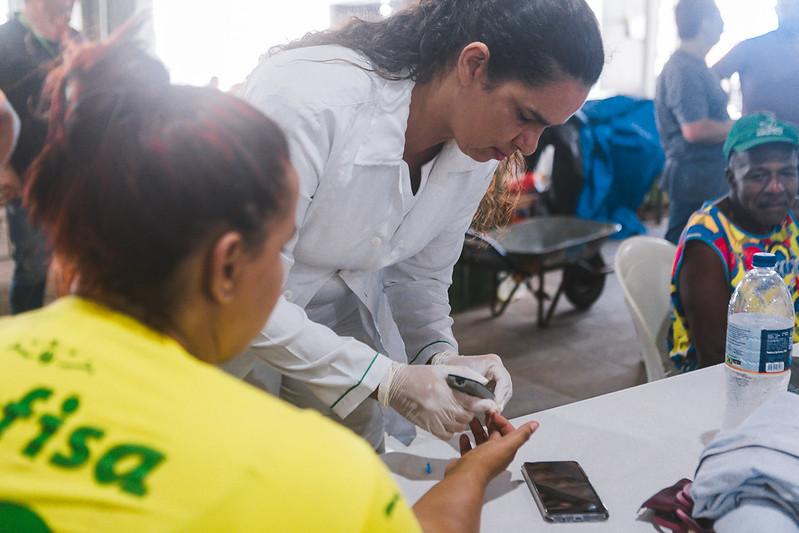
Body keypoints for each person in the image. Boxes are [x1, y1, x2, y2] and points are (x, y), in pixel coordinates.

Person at [0, 39, 539, 533]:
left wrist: (437, 354)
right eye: (287, 243)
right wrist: (470, 474)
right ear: (228, 265)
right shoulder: (308, 473)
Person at [230, 0, 605, 449]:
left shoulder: (476, 147)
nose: (528, 144)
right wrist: (387, 379)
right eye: (526, 116)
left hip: (341, 341)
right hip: (234, 333)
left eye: (547, 128)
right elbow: (243, 295)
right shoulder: (307, 101)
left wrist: (442, 357)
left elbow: (421, 277)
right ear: (474, 64)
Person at [670, 113, 799, 371]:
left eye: (786, 173)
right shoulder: (707, 242)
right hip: (730, 378)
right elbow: (716, 357)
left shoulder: (792, 216)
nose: (776, 187)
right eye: (759, 176)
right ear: (731, 179)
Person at [0, 0, 79, 314]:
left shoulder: (78, 41)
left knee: (77, 261)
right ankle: (24, 336)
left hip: (75, 175)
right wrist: (2, 165)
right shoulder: (5, 41)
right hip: (25, 175)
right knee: (33, 263)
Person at [655, 0, 733, 244]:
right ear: (705, 22)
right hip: (695, 177)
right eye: (719, 18)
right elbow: (694, 129)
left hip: (705, 176)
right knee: (685, 247)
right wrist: (740, 125)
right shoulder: (684, 69)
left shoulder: (698, 66)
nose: (723, 25)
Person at [713, 0, 799, 127]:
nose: (788, 13)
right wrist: (721, 118)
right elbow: (709, 78)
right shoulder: (751, 47)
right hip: (760, 139)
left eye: (793, 7)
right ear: (777, 10)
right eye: (784, 6)